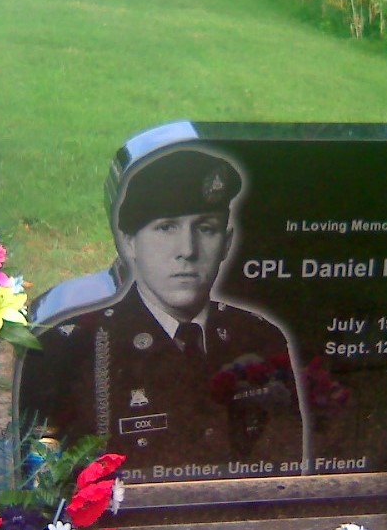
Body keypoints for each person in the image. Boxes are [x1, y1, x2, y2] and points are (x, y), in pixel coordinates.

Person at [16, 146, 305, 482]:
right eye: (167, 228)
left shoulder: (259, 336)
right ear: (129, 243)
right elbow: (45, 482)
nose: (188, 250)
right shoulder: (72, 344)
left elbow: (283, 471)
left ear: (226, 243)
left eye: (207, 228)